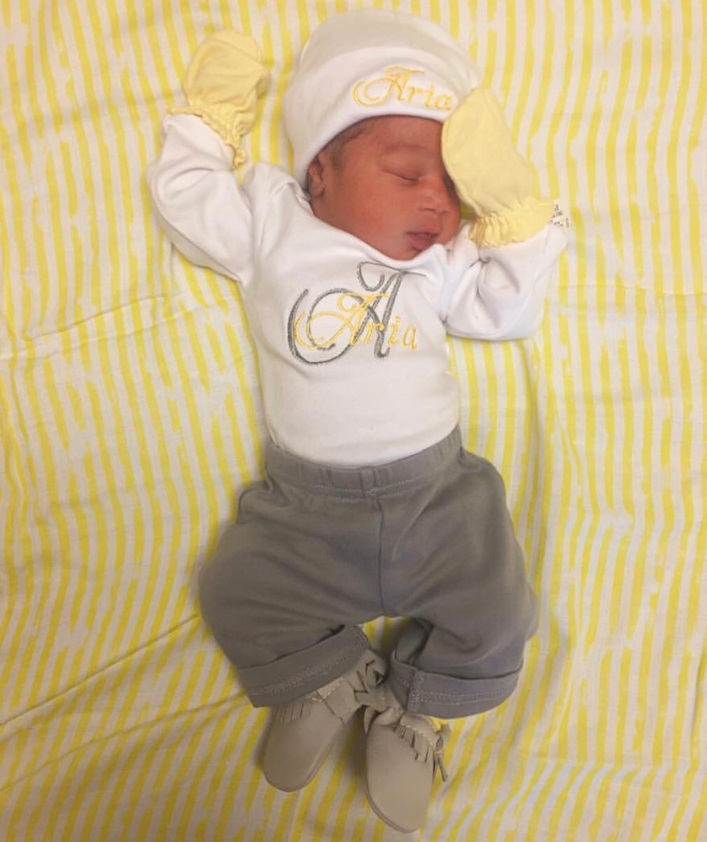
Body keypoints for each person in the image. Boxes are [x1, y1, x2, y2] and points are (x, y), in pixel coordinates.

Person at [147, 9, 567, 833]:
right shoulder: (273, 222)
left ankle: (414, 710)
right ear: (319, 175)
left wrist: (512, 216)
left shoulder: (439, 263)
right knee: (233, 588)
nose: (434, 200)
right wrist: (209, 122)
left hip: (438, 499)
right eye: (406, 171)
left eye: (452, 185)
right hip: (306, 508)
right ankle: (328, 676)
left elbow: (506, 310)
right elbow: (189, 201)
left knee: (499, 613)